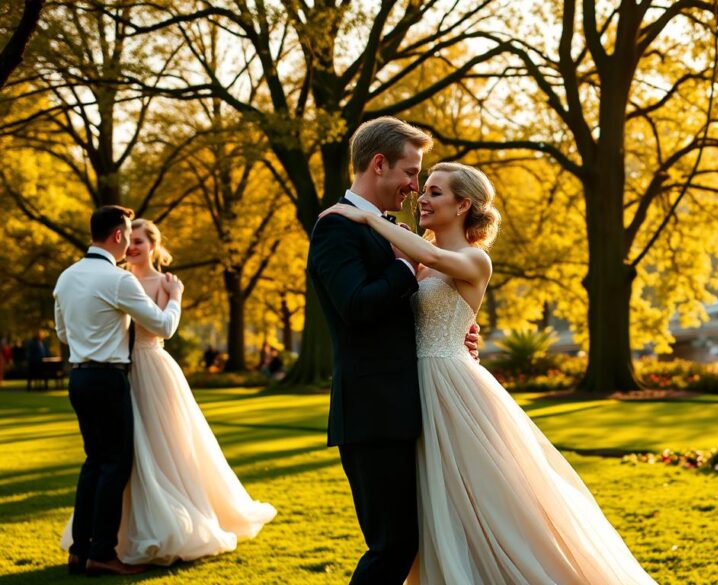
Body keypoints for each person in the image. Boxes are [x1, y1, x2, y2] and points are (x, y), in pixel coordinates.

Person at [320, 161, 657, 583]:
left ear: (464, 204)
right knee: (436, 507)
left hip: (454, 391)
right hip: (414, 392)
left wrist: (365, 215)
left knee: (490, 501)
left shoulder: (473, 259)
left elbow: (430, 257)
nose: (422, 198)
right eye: (423, 189)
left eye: (435, 192)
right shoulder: (415, 259)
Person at [306, 117, 479, 585]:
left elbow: (408, 307)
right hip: (372, 412)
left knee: (410, 540)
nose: (414, 186)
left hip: (408, 408)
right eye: (410, 172)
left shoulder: (385, 228)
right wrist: (406, 270)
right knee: (392, 546)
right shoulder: (336, 228)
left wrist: (454, 331)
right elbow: (356, 307)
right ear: (379, 164)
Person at [59, 218, 276, 566]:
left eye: (140, 241)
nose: (133, 246)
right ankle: (104, 544)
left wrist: (173, 296)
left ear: (154, 246)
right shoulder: (116, 280)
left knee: (148, 450)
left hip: (149, 370)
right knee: (116, 460)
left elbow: (161, 329)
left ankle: (97, 546)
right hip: (118, 373)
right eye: (131, 239)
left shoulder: (151, 281)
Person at [53, 206, 183, 576]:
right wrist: (174, 297)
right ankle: (103, 552)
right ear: (117, 235)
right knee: (114, 465)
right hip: (109, 379)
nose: (128, 240)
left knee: (93, 462)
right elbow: (163, 326)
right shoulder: (118, 280)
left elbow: (63, 334)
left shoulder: (66, 277)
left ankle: (79, 550)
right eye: (127, 233)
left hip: (78, 378)